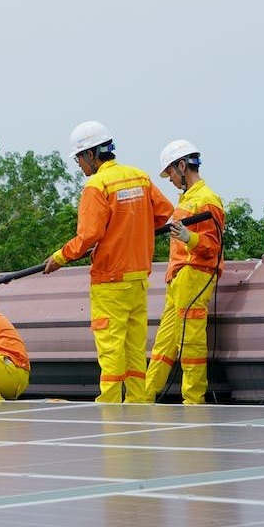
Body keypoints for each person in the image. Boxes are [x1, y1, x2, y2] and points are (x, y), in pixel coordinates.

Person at [42, 120, 174, 403]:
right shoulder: (139, 177)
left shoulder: (97, 185)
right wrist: (129, 230)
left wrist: (59, 257)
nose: (78, 164)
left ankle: (111, 410)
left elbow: (89, 234)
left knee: (111, 348)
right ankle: (137, 405)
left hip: (110, 281)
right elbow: (164, 214)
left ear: (91, 154)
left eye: (79, 157)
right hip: (138, 279)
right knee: (134, 349)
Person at [145, 140, 225, 404]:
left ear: (182, 165)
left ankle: (193, 401)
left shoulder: (207, 199)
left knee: (189, 341)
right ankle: (144, 397)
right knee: (165, 342)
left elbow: (213, 247)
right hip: (179, 278)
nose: (169, 179)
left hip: (195, 275)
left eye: (170, 173)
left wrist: (190, 238)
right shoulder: (186, 200)